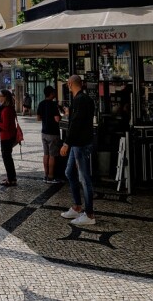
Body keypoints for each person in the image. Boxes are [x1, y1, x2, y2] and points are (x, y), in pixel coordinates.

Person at [59, 75, 97, 225]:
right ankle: (77, 206)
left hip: (79, 144)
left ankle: (89, 214)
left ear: (70, 84)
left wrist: (66, 143)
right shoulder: (85, 99)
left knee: (84, 178)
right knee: (69, 172)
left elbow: (76, 123)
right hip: (79, 143)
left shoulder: (79, 100)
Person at [37, 86, 62, 183]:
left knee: (46, 154)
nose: (55, 94)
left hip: (44, 132)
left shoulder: (41, 103)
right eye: (54, 93)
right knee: (52, 155)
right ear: (51, 93)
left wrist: (46, 117)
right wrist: (60, 115)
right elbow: (57, 119)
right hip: (53, 133)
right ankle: (51, 176)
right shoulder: (53, 105)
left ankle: (45, 175)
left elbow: (38, 118)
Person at [0, 90, 18, 187]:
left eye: (0, 95)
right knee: (8, 158)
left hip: (6, 137)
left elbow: (5, 126)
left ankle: (11, 179)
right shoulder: (8, 108)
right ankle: (11, 177)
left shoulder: (6, 110)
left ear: (5, 97)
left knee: (7, 158)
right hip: (9, 136)